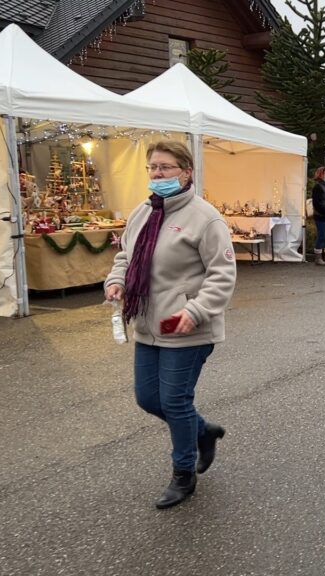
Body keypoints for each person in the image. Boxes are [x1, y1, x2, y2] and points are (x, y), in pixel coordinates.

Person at [104, 140, 237, 509]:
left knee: (175, 401)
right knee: (148, 399)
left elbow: (223, 274)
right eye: (152, 168)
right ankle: (203, 431)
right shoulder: (142, 212)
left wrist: (194, 311)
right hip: (148, 322)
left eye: (165, 168)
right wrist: (116, 280)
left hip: (187, 327)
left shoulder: (205, 217)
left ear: (186, 171)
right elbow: (126, 256)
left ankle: (183, 475)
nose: (157, 175)